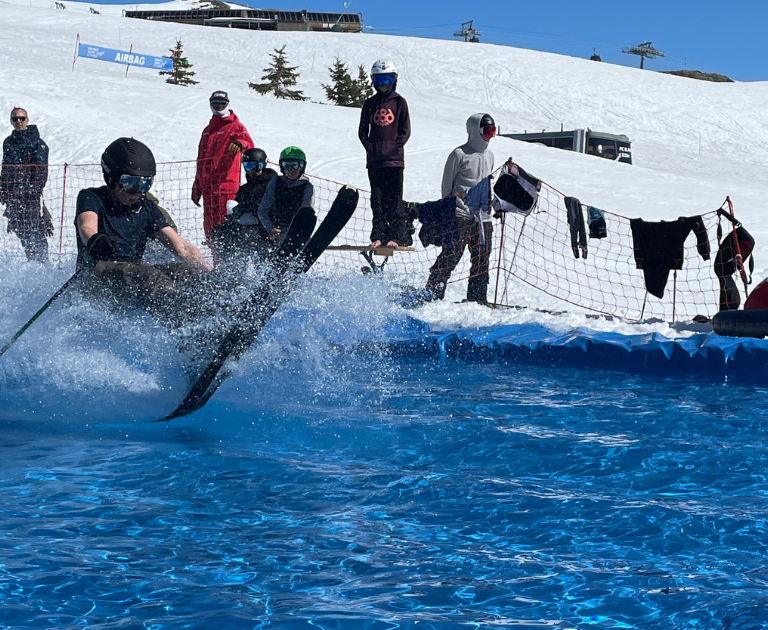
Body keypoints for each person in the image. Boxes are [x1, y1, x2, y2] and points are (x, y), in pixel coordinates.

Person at [76, 137, 212, 324]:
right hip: (97, 275)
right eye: (131, 184)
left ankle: (217, 315)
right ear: (111, 178)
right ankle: (188, 328)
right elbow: (86, 225)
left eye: (146, 184)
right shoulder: (92, 197)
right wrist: (94, 240)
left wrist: (209, 273)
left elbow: (181, 247)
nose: (139, 192)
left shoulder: (146, 208)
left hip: (132, 276)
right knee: (150, 277)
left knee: (187, 273)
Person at [424, 113, 496, 304]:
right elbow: (446, 185)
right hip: (460, 214)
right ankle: (433, 293)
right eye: (486, 132)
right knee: (452, 253)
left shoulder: (489, 156)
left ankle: (477, 298)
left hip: (483, 217)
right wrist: (449, 208)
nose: (489, 136)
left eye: (493, 132)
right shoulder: (459, 154)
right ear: (475, 131)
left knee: (482, 257)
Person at [358, 59, 411, 249]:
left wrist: (395, 147)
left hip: (394, 161)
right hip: (375, 162)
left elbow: (405, 130)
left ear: (394, 80)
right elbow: (363, 131)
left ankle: (397, 236)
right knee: (377, 200)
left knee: (394, 199)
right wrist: (371, 148)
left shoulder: (399, 102)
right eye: (379, 80)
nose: (383, 85)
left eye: (387, 80)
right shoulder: (370, 103)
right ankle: (379, 235)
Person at [191, 91, 254, 241]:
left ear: (228, 104)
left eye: (222, 103)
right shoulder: (207, 131)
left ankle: (227, 261)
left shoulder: (236, 126)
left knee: (226, 226)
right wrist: (197, 186)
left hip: (226, 186)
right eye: (215, 103)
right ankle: (215, 261)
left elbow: (250, 146)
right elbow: (201, 162)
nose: (219, 106)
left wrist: (240, 143)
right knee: (210, 228)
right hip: (208, 189)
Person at [0, 107, 52, 262]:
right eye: (15, 119)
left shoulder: (38, 144)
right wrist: (4, 189)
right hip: (12, 198)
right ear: (11, 121)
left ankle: (43, 263)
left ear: (27, 120)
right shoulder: (8, 142)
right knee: (20, 230)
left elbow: (41, 173)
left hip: (30, 198)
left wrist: (30, 191)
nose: (19, 122)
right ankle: (32, 261)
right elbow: (6, 168)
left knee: (35, 231)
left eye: (22, 118)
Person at [211, 147, 278, 262]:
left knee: (246, 236)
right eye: (248, 166)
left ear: (263, 165)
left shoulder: (272, 184)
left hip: (264, 228)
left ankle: (259, 268)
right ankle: (230, 268)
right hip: (248, 225)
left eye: (256, 166)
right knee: (221, 232)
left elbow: (268, 208)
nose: (252, 170)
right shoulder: (246, 188)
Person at [257, 146, 313, 249]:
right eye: (287, 165)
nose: (291, 170)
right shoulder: (275, 182)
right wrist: (270, 228)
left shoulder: (307, 187)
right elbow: (262, 210)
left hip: (294, 230)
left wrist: (293, 232)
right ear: (282, 167)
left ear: (302, 167)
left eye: (296, 166)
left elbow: (304, 214)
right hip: (273, 228)